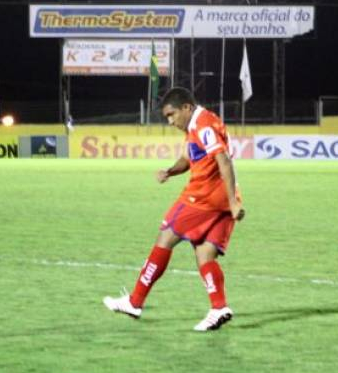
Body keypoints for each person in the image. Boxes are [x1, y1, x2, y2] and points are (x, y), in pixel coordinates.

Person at [103, 87, 245, 331]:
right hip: (219, 201)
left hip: (202, 199)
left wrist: (233, 201)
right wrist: (170, 171)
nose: (170, 121)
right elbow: (189, 160)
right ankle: (219, 307)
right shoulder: (197, 125)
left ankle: (134, 301)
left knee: (165, 238)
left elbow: (224, 160)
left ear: (187, 108)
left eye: (172, 115)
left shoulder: (203, 125)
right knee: (205, 253)